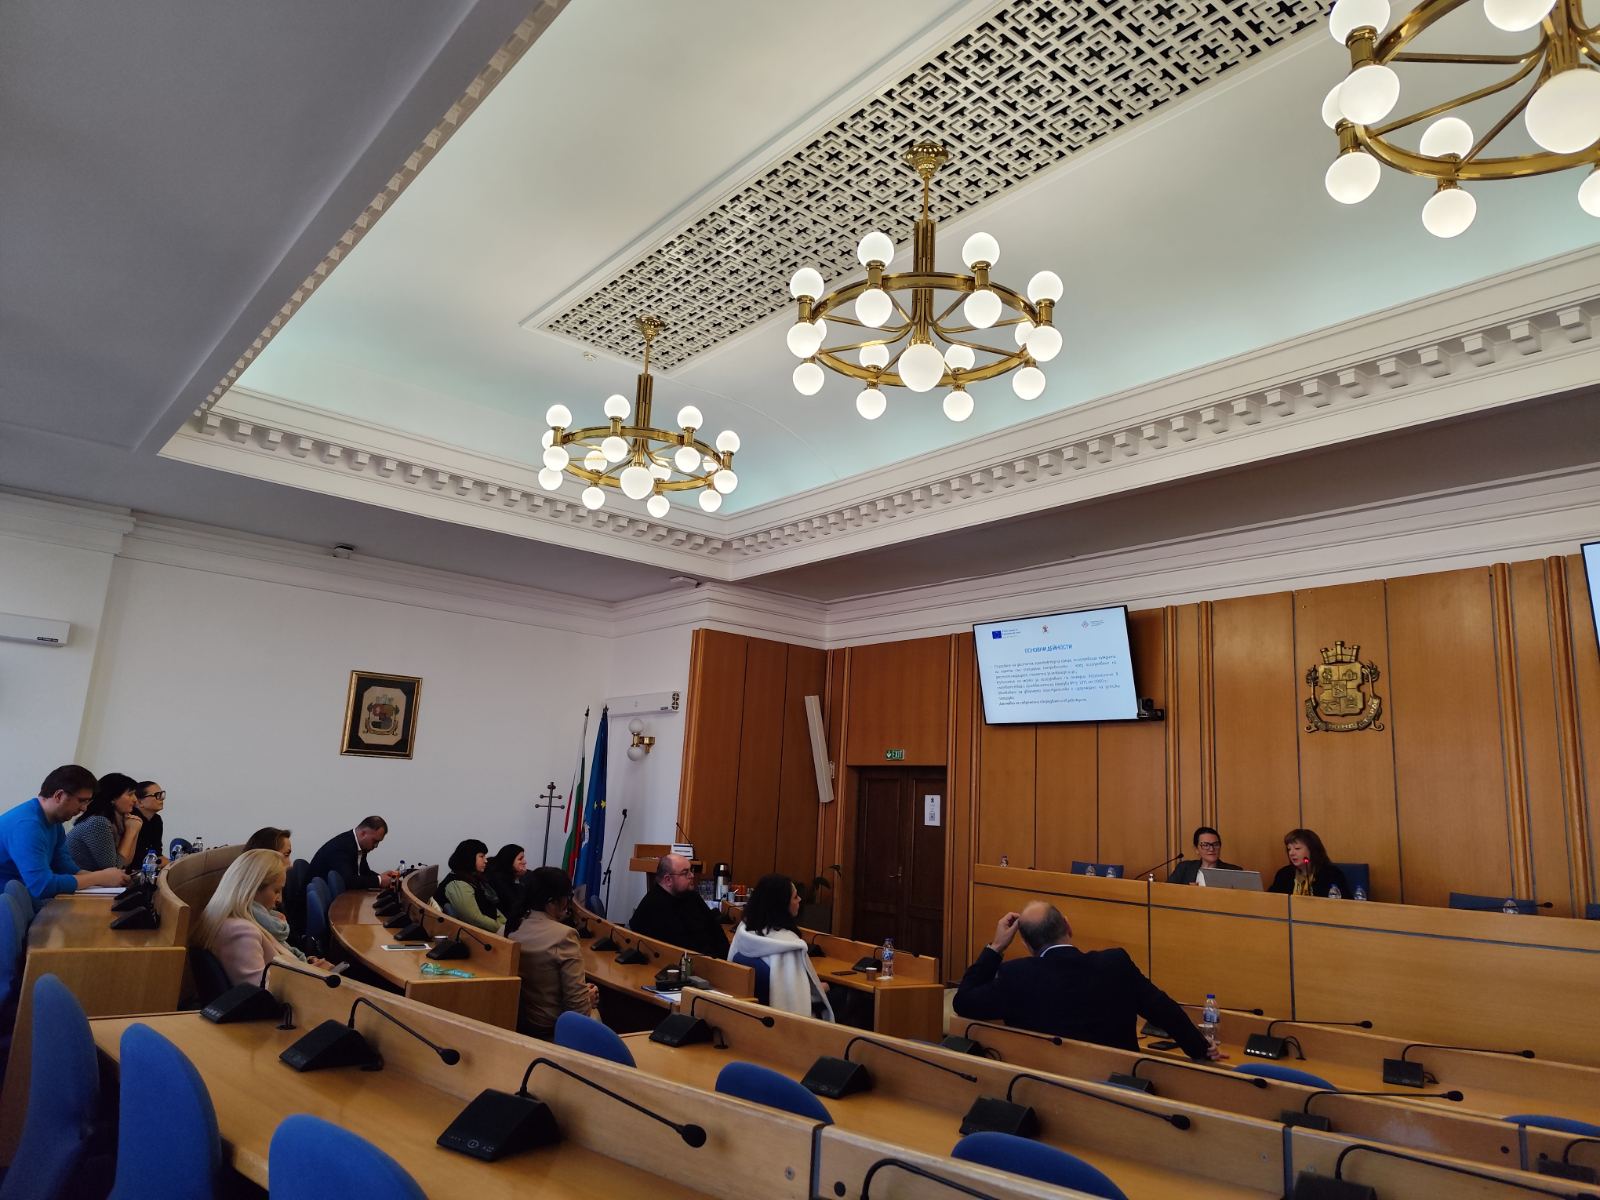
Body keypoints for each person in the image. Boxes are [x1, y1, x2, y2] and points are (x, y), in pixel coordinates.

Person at [953, 901, 1219, 1060]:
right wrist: (1200, 1048)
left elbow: (963, 1002)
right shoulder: (1115, 963)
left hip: (1047, 1090)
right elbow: (1163, 1009)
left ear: (1025, 943)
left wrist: (997, 947)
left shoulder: (1015, 975)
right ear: (1068, 926)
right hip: (1117, 1089)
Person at [0, 766, 129, 903]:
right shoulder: (27, 826)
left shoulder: (54, 822)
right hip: (11, 906)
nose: (84, 808)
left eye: (87, 802)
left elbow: (65, 867)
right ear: (59, 795)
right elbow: (42, 886)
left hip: (24, 900)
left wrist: (108, 878)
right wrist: (98, 877)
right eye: (81, 801)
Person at [728, 873, 833, 1021]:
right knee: (845, 995)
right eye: (795, 897)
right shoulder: (789, 945)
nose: (800, 900)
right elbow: (795, 999)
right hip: (789, 1021)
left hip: (750, 1015)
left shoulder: (744, 932)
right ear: (781, 905)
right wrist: (822, 988)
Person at [508, 866, 598, 1038]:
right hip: (550, 1029)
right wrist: (588, 998)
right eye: (568, 897)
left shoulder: (507, 929)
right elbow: (578, 1011)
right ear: (552, 902)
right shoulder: (564, 936)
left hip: (517, 1024)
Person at [192, 849, 297, 987]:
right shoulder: (242, 932)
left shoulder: (226, 920)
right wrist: (315, 980)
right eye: (276, 891)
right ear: (253, 888)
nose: (279, 899)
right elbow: (261, 992)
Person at [627, 853, 728, 959]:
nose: (692, 875)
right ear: (668, 880)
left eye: (691, 870)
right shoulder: (654, 905)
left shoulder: (691, 895)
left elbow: (715, 929)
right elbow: (680, 948)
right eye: (685, 873)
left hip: (714, 960)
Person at [65, 772, 143, 871]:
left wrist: (135, 830)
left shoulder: (116, 821)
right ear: (113, 798)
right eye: (130, 794)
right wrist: (131, 832)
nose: (135, 800)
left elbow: (126, 862)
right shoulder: (98, 822)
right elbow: (114, 868)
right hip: (73, 879)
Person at [306, 816, 398, 891]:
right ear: (363, 834)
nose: (376, 846)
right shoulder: (341, 847)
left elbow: (363, 872)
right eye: (375, 841)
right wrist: (379, 880)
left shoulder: (359, 846)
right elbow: (348, 881)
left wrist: (382, 877)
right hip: (311, 905)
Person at [440, 839, 502, 933]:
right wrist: (503, 929)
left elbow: (492, 908)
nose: (486, 860)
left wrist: (507, 925)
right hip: (476, 935)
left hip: (488, 930)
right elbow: (474, 919)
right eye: (481, 856)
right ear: (469, 858)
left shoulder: (473, 878)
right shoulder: (458, 884)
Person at [1269, 828, 1349, 898]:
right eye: (1289, 849)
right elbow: (1270, 899)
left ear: (1312, 850)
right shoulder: (1284, 874)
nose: (1291, 853)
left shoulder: (1331, 874)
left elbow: (1346, 903)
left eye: (1297, 848)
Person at [1167, 826, 1242, 885]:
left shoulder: (1234, 872)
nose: (1211, 849)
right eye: (1205, 845)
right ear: (1196, 849)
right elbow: (1168, 891)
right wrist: (1189, 891)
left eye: (1215, 844)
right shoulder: (1184, 868)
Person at [485, 844, 530, 932]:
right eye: (520, 859)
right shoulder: (498, 878)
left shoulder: (509, 874)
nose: (524, 862)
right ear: (509, 860)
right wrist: (517, 878)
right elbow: (516, 904)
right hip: (506, 924)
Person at [132, 781, 166, 865]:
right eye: (157, 795)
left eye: (162, 794)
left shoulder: (156, 820)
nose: (162, 798)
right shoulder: (132, 820)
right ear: (140, 802)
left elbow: (157, 853)